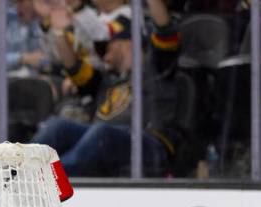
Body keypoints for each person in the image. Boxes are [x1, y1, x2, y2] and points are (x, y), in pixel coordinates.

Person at [31, 2, 194, 177]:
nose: (103, 55)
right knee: (58, 126)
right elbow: (73, 67)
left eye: (106, 47)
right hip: (104, 141)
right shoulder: (106, 78)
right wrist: (58, 32)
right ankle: (12, 177)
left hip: (150, 144)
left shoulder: (157, 66)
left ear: (125, 41)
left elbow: (165, 29)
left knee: (102, 132)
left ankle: (45, 181)